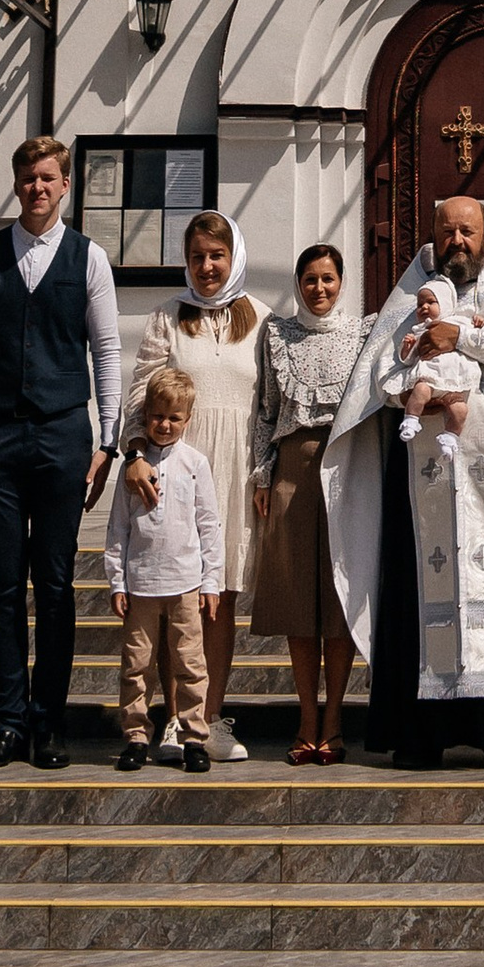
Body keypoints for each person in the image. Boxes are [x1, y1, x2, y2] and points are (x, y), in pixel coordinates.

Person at [324, 193, 484, 768]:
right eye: (447, 232)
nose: (457, 241)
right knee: (420, 585)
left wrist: (460, 338)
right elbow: (378, 376)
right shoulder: (409, 299)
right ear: (433, 238)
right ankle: (420, 732)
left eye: (467, 231)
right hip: (424, 475)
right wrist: (411, 380)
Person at [0, 129, 120, 770]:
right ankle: (7, 725)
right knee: (1, 588)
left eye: (49, 179)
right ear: (17, 184)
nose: (38, 189)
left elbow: (106, 352)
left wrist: (109, 438)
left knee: (53, 585)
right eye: (28, 179)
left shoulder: (88, 258)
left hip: (62, 434)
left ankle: (48, 723)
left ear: (65, 184)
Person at [125, 211, 261, 757]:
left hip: (233, 471)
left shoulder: (262, 319)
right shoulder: (166, 317)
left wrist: (266, 475)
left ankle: (207, 718)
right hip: (174, 471)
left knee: (217, 597)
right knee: (168, 594)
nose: (207, 266)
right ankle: (174, 719)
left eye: (217, 255)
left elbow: (270, 406)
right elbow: (139, 396)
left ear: (234, 258)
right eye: (198, 256)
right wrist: (135, 454)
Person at [249, 240, 367, 764]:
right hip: (292, 472)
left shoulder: (363, 334)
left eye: (328, 279)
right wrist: (261, 475)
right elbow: (265, 410)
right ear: (298, 284)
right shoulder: (275, 334)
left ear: (342, 283)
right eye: (310, 279)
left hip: (346, 469)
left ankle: (335, 720)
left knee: (338, 600)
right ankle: (306, 717)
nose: (319, 289)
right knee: (300, 602)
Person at [106, 364, 223, 773]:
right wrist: (116, 580)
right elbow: (118, 527)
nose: (165, 424)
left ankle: (193, 737)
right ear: (146, 416)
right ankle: (136, 735)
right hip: (140, 584)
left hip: (185, 584)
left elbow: (209, 523)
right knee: (136, 665)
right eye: (158, 415)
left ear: (187, 420)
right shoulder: (132, 470)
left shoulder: (195, 463)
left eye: (174, 418)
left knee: (190, 664)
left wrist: (212, 582)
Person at [386, 283, 484, 439]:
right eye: (420, 304)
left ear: (445, 303)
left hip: (453, 383)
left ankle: (451, 436)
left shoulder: (459, 321)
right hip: (430, 378)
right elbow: (408, 360)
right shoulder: (419, 330)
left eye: (431, 302)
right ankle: (410, 421)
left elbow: (478, 336)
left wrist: (479, 323)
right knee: (420, 391)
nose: (424, 307)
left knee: (460, 410)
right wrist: (407, 348)